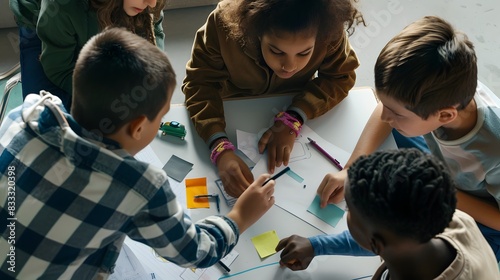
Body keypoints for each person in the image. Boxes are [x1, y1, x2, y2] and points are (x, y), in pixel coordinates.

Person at [0, 28, 276, 279]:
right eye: (163, 116)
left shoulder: (25, 114)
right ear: (138, 127)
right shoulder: (138, 186)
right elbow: (196, 252)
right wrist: (240, 216)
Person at [315, 16, 500, 260]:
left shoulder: (493, 149)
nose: (385, 115)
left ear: (445, 115)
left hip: (482, 215)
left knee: (421, 250)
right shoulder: (442, 92)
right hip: (445, 170)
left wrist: (435, 191)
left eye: (396, 113)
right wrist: (352, 167)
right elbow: (386, 110)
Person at [182, 0, 365, 198]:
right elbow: (199, 84)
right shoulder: (224, 22)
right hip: (232, 107)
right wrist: (218, 145)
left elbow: (340, 77)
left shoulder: (328, 27)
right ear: (256, 31)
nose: (289, 66)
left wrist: (295, 116)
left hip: (293, 101)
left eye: (304, 53)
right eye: (276, 51)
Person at [277, 149, 500, 279]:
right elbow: (388, 242)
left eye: (349, 210)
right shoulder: (448, 219)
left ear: (376, 244)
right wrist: (318, 245)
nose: (347, 215)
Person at [9, 0, 165, 109]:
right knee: (46, 117)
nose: (152, 2)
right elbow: (59, 70)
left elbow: (153, 35)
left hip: (101, 10)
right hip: (44, 20)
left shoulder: (147, 2)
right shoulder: (61, 5)